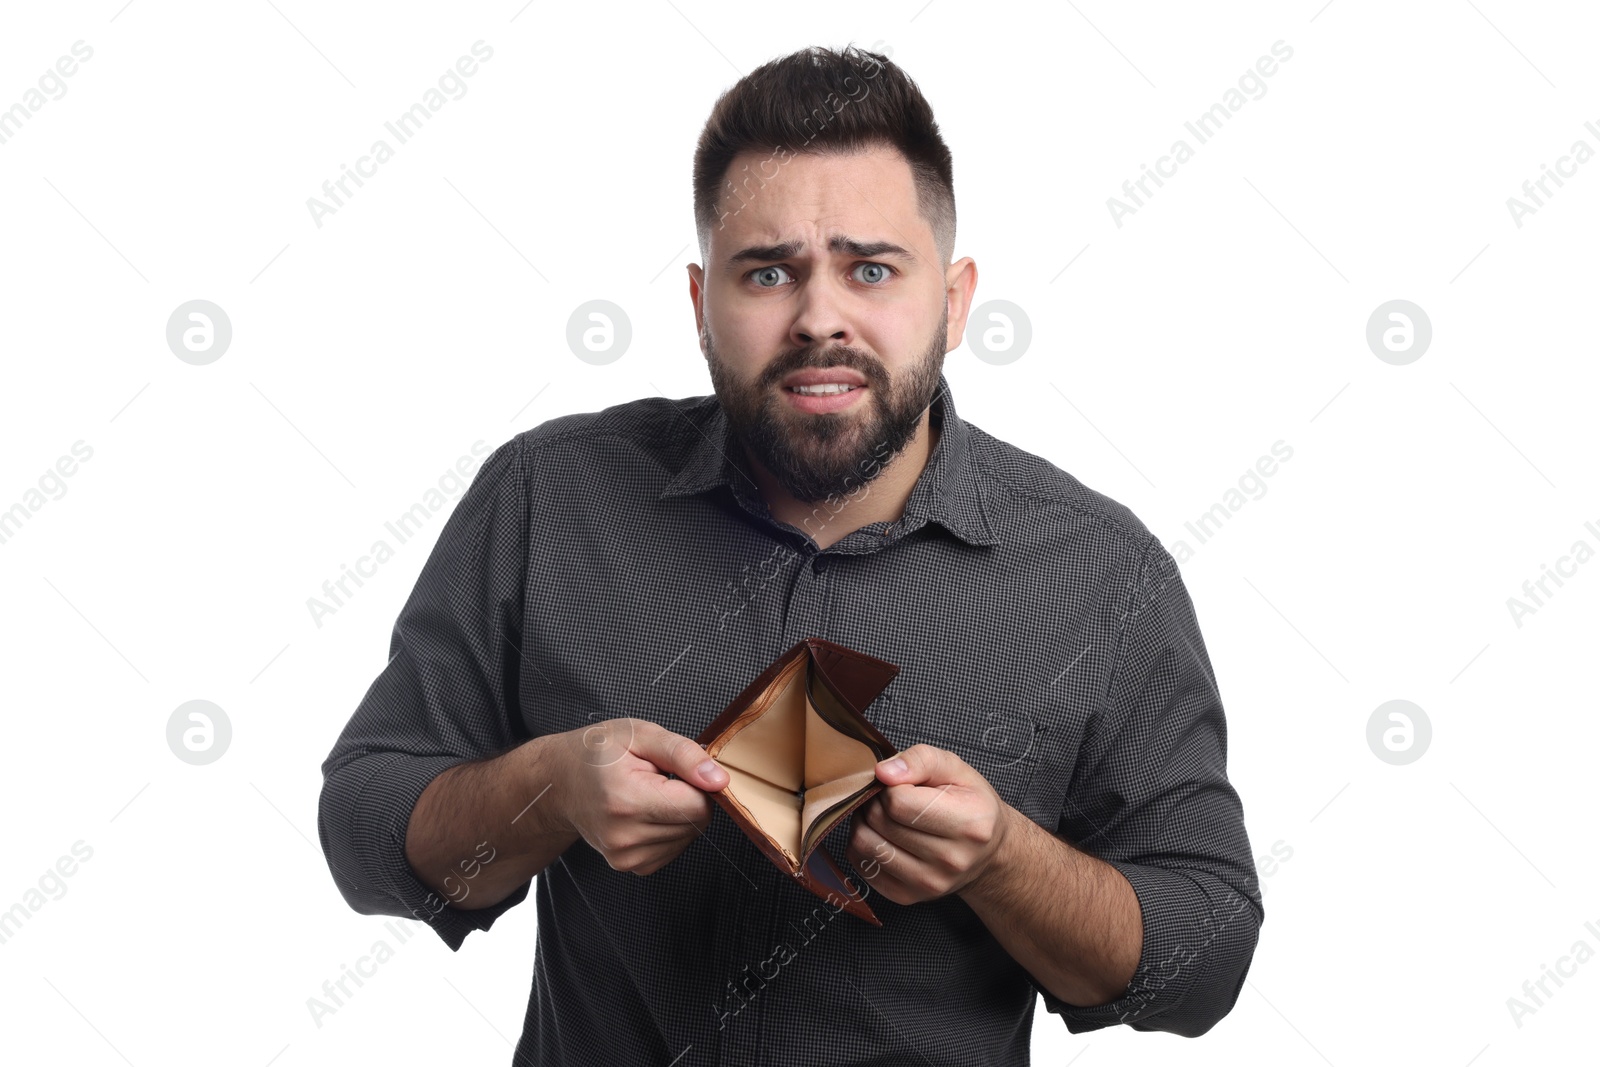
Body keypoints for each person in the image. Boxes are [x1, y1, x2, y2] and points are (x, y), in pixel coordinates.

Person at [317, 43, 1262, 1065]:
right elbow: (365, 835)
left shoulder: (1100, 572)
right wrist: (550, 786)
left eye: (871, 268)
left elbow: (1201, 961)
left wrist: (1002, 856)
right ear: (698, 303)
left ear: (953, 300)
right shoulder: (550, 496)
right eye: (768, 271)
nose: (820, 317)